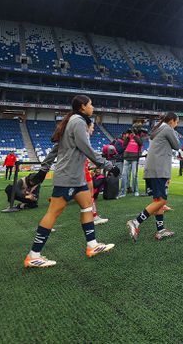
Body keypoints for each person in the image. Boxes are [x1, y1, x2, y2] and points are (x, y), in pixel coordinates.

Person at [23, 95, 114, 268]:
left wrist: (44, 168)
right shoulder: (78, 121)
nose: (92, 107)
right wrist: (107, 165)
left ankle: (92, 245)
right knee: (53, 213)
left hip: (75, 177)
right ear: (82, 107)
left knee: (87, 206)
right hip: (69, 177)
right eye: (90, 104)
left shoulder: (70, 121)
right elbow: (86, 148)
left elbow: (55, 149)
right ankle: (33, 255)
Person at [127, 112, 181, 241]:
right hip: (158, 169)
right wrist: (175, 132)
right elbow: (177, 145)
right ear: (172, 120)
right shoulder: (167, 128)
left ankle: (160, 230)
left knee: (158, 201)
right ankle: (136, 221)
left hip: (152, 169)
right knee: (162, 200)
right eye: (177, 122)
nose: (177, 125)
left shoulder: (158, 128)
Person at [120, 129, 142, 197]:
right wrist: (128, 137)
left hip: (134, 158)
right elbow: (124, 145)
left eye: (131, 133)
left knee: (134, 175)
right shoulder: (127, 138)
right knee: (123, 175)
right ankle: (123, 192)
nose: (130, 134)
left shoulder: (137, 138)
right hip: (127, 158)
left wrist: (134, 136)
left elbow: (140, 143)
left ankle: (136, 191)